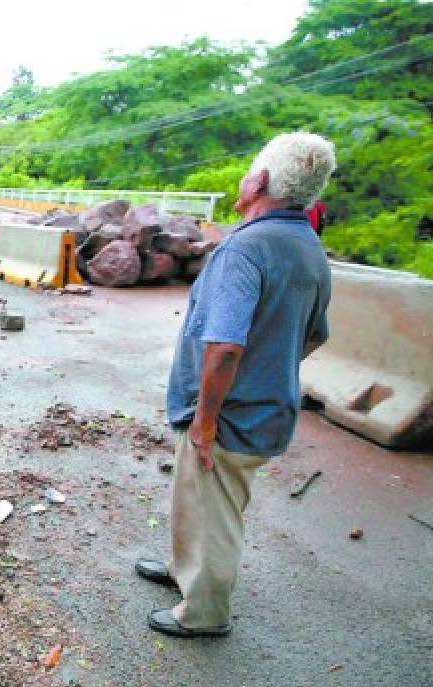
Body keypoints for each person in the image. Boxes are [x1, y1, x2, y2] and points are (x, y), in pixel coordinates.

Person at [137, 132, 336, 638]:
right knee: (202, 497)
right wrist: (271, 367)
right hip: (268, 407)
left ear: (261, 180)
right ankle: (186, 570)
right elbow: (315, 334)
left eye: (250, 169)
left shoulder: (246, 249)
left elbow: (224, 347)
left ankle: (204, 612)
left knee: (216, 508)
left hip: (229, 415)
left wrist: (205, 421)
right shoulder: (306, 245)